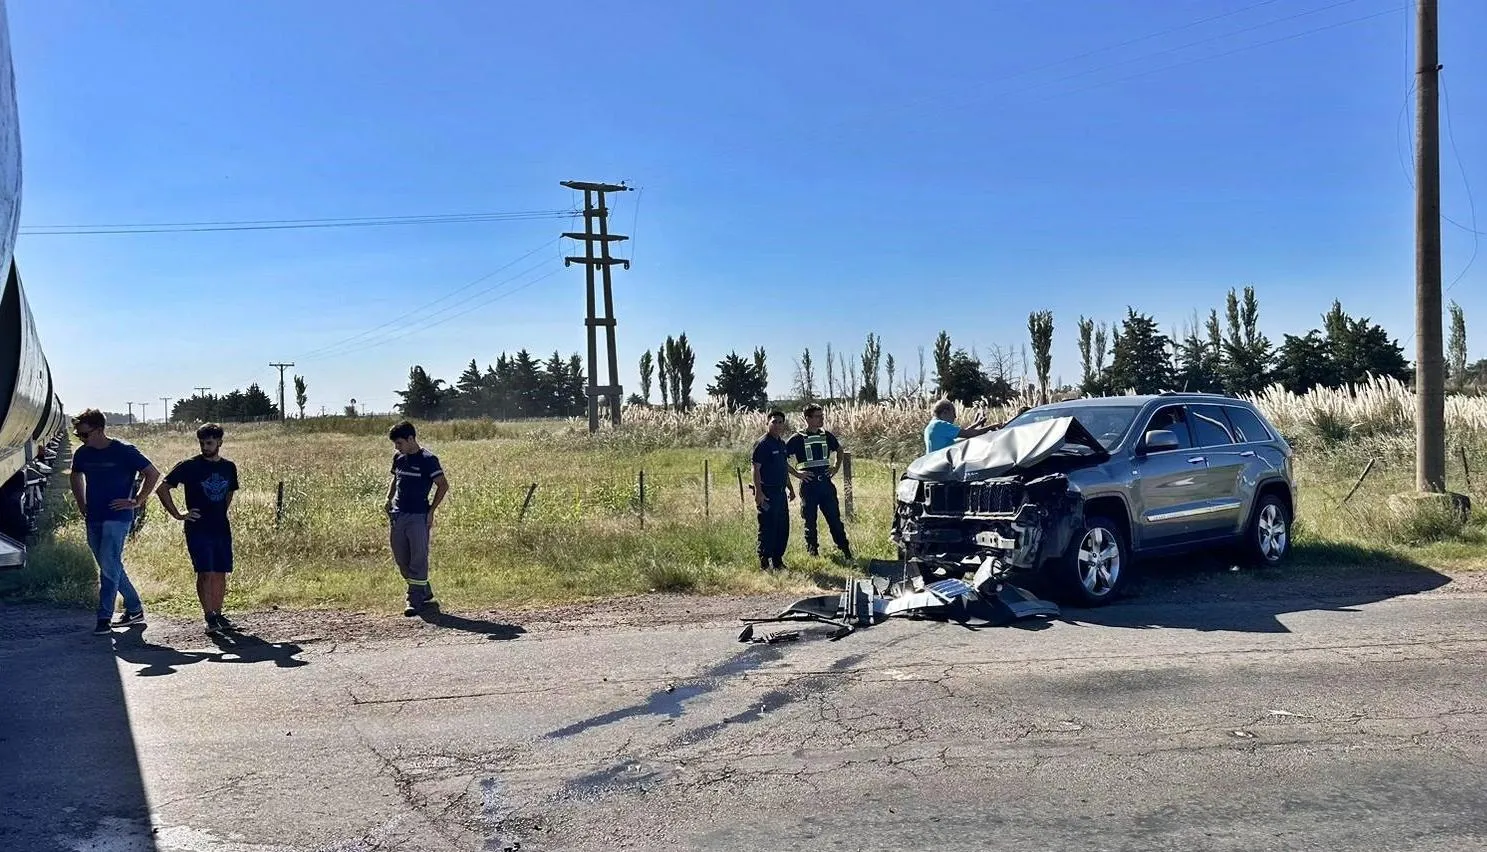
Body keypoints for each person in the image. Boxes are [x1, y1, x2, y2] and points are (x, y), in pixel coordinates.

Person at [67, 408, 161, 636]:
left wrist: (137, 500)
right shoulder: (83, 454)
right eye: (78, 434)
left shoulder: (125, 451)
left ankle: (104, 618)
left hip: (118, 517)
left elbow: (153, 473)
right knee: (110, 565)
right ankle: (135, 609)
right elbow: (75, 474)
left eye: (84, 434)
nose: (81, 438)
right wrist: (81, 503)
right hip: (94, 515)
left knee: (109, 564)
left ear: (99, 430)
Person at [156, 423, 240, 635]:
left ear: (220, 442)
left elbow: (229, 492)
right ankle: (209, 616)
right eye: (202, 443)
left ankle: (219, 613)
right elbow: (162, 488)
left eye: (209, 443)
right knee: (205, 571)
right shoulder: (189, 466)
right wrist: (179, 514)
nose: (205, 447)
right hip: (197, 527)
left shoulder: (229, 467)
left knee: (221, 571)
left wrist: (220, 511)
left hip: (220, 525)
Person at [385, 420, 449, 616]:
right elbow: (396, 479)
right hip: (398, 514)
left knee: (418, 558)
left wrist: (431, 511)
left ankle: (413, 599)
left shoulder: (428, 460)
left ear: (411, 439)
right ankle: (424, 589)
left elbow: (443, 485)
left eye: (400, 443)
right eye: (395, 444)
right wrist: (388, 499)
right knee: (401, 558)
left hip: (418, 515)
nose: (397, 447)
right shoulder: (399, 458)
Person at [786, 403, 853, 560]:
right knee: (810, 521)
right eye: (817, 416)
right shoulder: (797, 439)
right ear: (807, 418)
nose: (821, 419)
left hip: (825, 485)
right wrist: (797, 474)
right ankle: (813, 553)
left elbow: (839, 450)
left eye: (822, 416)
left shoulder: (826, 436)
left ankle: (845, 551)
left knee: (835, 520)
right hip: (809, 486)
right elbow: (781, 458)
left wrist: (836, 467)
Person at [751, 410, 795, 571]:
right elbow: (755, 469)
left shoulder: (781, 444)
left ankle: (777, 560)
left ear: (784, 424)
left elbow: (783, 467)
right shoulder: (762, 444)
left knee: (782, 527)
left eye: (780, 422)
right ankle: (764, 560)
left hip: (780, 492)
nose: (777, 425)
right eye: (774, 421)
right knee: (767, 526)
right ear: (767, 423)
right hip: (767, 493)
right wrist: (758, 492)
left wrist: (790, 487)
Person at [922, 399, 1028, 454]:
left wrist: (977, 423)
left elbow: (962, 433)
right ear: (945, 412)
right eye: (953, 413)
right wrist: (992, 426)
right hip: (943, 464)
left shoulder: (932, 426)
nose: (955, 417)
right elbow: (971, 434)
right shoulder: (940, 425)